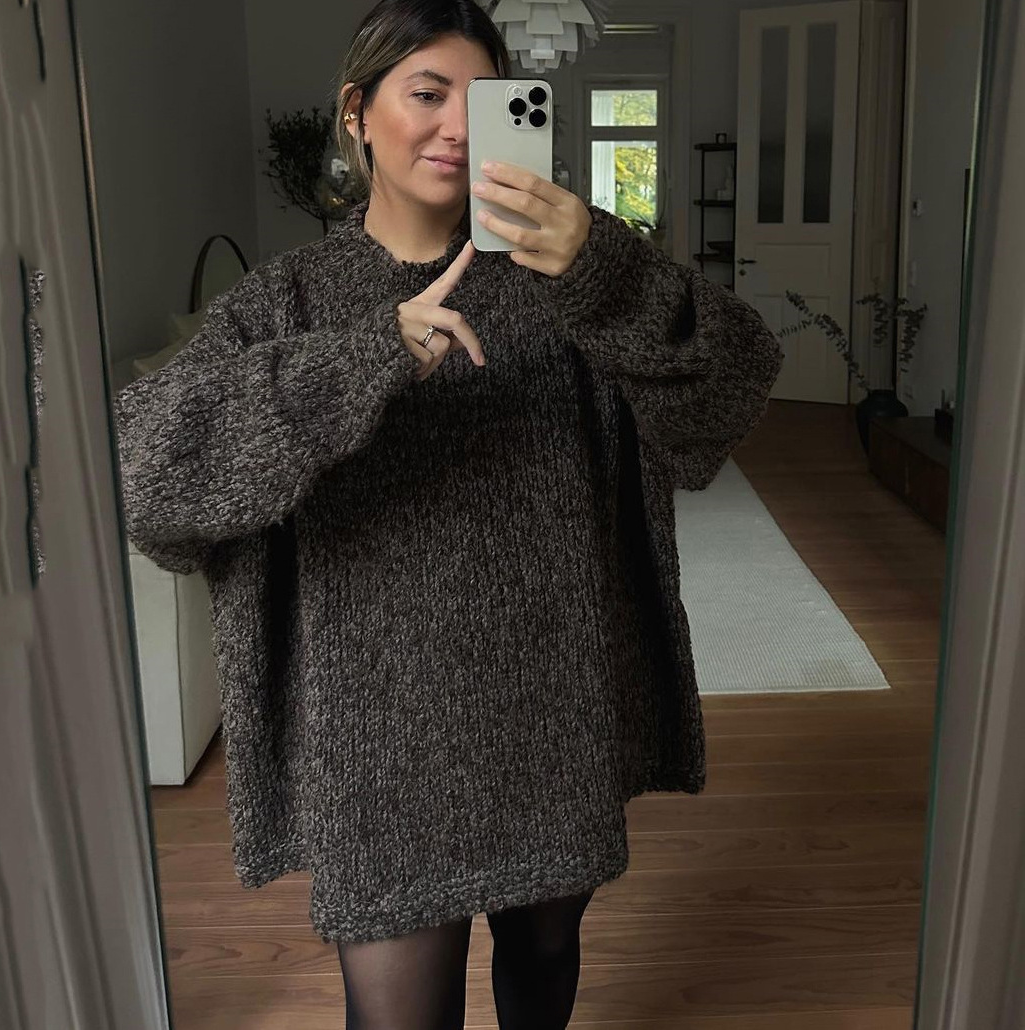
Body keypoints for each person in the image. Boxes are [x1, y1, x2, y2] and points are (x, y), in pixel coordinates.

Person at [112, 1, 784, 1027]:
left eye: (486, 100)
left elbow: (733, 388)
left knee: (543, 962)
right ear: (357, 113)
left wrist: (603, 268)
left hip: (553, 703)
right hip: (373, 732)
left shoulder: (570, 277)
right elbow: (149, 476)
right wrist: (370, 356)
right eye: (427, 94)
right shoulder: (289, 302)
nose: (458, 128)